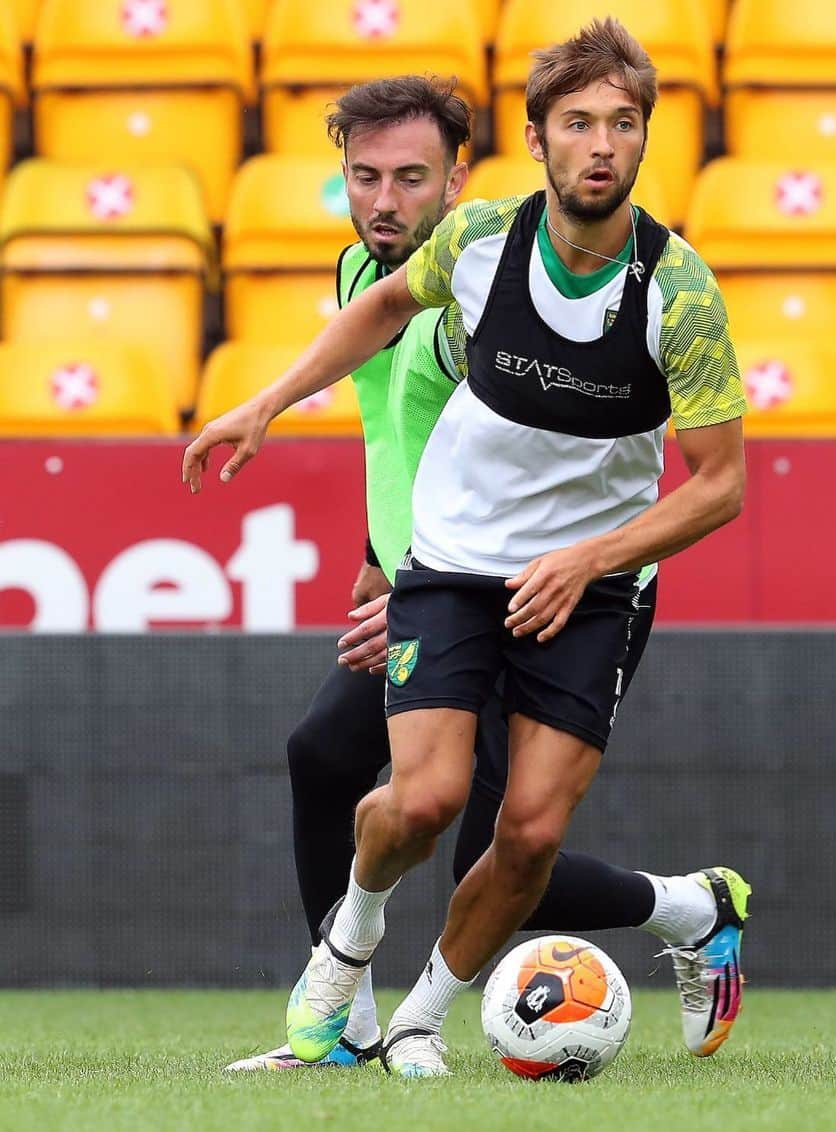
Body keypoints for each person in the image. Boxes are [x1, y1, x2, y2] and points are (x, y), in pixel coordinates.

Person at [211, 73, 749, 1073]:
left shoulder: (503, 290)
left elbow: (531, 466)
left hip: (553, 582)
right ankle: (350, 1008)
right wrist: (387, 568)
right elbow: (407, 442)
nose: (385, 201)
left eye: (410, 179)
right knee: (343, 763)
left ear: (459, 178)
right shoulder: (368, 279)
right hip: (445, 573)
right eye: (365, 178)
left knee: (507, 854)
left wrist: (517, 562)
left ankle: (687, 907)